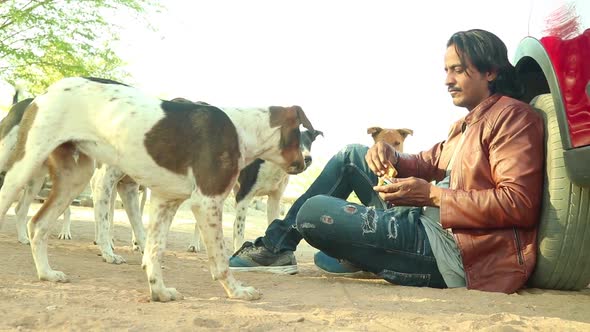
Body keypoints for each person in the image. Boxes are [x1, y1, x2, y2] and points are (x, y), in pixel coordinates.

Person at [229, 29, 544, 293]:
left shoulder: (513, 118)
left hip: (454, 252)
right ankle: (277, 247)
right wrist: (391, 154)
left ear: (491, 71)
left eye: (458, 70)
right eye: (446, 70)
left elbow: (518, 203)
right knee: (353, 154)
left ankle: (355, 254)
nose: (447, 80)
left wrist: (434, 195)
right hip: (424, 223)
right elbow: (427, 161)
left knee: (314, 213)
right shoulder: (468, 123)